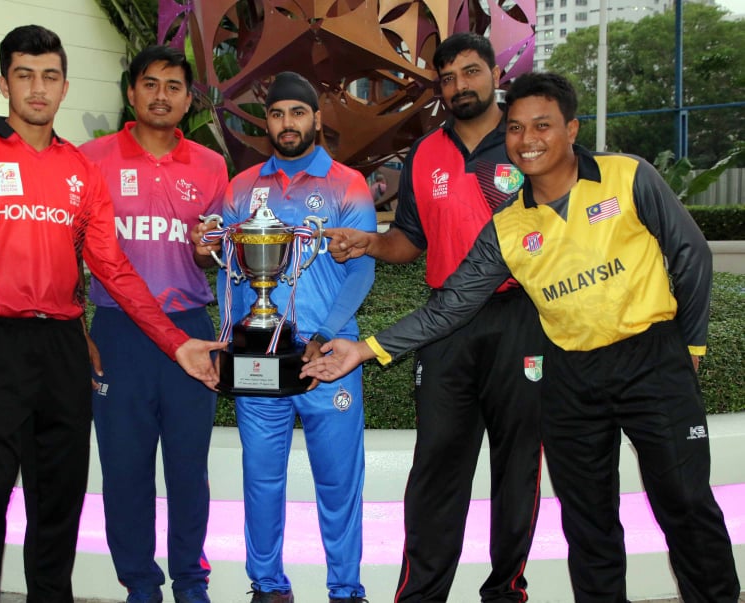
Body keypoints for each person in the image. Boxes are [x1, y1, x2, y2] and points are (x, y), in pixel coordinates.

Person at [303, 72, 741, 602]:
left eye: (542, 125)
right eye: (515, 128)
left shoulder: (629, 176)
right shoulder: (507, 226)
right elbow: (451, 305)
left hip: (651, 360)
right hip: (572, 378)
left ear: (571, 129)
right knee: (589, 524)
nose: (527, 139)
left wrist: (690, 347)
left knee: (686, 506)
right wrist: (366, 349)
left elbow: (691, 255)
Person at [0, 25, 225, 603]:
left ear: (64, 86)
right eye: (25, 75)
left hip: (63, 350)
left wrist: (176, 342)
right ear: (4, 82)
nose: (38, 88)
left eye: (49, 76)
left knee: (58, 501)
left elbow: (115, 270)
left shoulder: (81, 170)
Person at [325, 33, 544, 603]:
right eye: (447, 78)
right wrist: (370, 243)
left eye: (470, 72)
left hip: (522, 318)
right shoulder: (425, 153)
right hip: (446, 323)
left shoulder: (525, 141)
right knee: (436, 471)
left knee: (517, 467)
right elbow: (409, 240)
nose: (459, 86)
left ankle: (506, 593)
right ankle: (420, 595)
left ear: (495, 74)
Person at [193, 71, 376, 603]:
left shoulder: (348, 183)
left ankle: (346, 590)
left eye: (297, 113)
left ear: (316, 118)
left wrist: (325, 333)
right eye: (277, 114)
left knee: (339, 482)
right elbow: (229, 267)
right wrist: (229, 336)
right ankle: (269, 587)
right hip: (259, 353)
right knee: (262, 479)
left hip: (329, 355)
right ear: (267, 122)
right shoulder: (242, 186)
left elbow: (362, 268)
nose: (287, 123)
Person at [77, 46, 228, 603]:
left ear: (189, 101)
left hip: (190, 328)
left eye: (173, 86)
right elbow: (66, 248)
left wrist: (207, 250)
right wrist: (79, 329)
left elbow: (216, 257)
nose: (161, 95)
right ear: (131, 93)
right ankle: (140, 584)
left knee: (188, 468)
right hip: (118, 333)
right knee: (124, 468)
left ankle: (190, 580)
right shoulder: (91, 159)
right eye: (150, 84)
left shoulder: (211, 166)